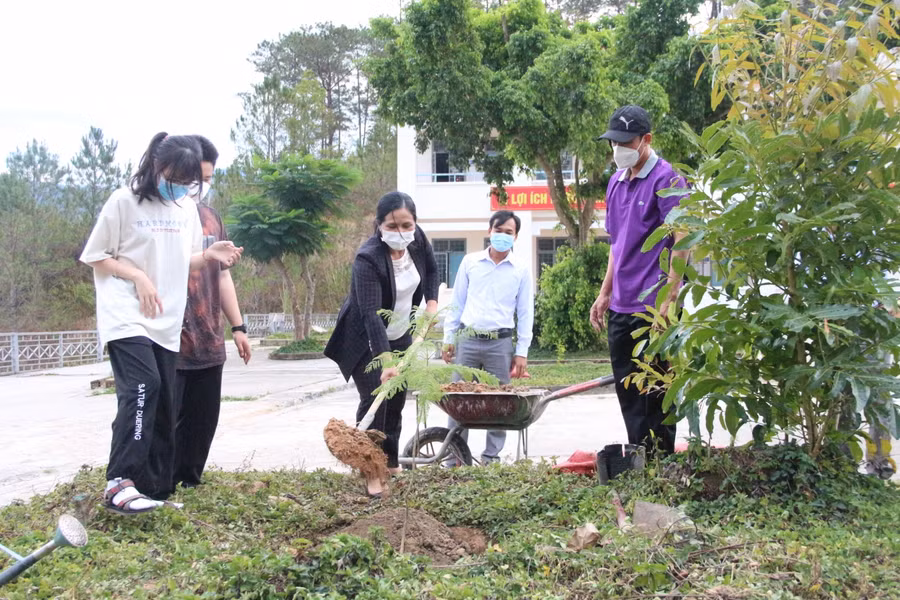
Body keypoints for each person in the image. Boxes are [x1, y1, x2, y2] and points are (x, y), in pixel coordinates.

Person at [80, 133, 243, 515]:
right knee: (143, 386)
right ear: (156, 167)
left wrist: (209, 254)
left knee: (166, 405)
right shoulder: (124, 201)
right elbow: (96, 256)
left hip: (164, 319)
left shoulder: (184, 208)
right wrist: (137, 277)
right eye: (177, 176)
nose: (184, 187)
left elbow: (180, 259)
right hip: (126, 313)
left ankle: (152, 490)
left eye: (192, 181)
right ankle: (119, 481)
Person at [324, 191, 439, 497]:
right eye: (392, 225)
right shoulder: (368, 257)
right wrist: (386, 362)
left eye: (406, 224)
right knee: (376, 402)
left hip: (401, 333)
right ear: (379, 224)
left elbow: (431, 270)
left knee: (397, 401)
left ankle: (390, 463)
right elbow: (371, 314)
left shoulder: (417, 239)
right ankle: (370, 472)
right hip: (364, 339)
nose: (400, 232)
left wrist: (431, 303)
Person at [589, 105, 688, 457]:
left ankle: (661, 462)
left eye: (625, 142)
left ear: (646, 140)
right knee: (629, 393)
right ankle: (639, 461)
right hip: (621, 306)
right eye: (613, 143)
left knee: (657, 394)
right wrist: (604, 294)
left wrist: (669, 300)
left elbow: (683, 240)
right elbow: (617, 243)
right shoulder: (616, 182)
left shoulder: (668, 180)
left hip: (654, 307)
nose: (618, 150)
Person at [172, 135, 252, 493]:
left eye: (207, 179)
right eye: (194, 178)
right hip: (169, 339)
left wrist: (238, 326)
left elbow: (222, 276)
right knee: (167, 419)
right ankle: (158, 484)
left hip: (207, 336)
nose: (199, 187)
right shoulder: (161, 218)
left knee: (203, 420)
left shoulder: (211, 218)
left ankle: (190, 482)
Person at [442, 210, 534, 464]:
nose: (503, 235)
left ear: (516, 237)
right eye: (499, 230)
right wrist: (448, 339)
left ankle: (491, 457)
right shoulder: (470, 262)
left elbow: (526, 312)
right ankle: (455, 457)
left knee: (499, 401)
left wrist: (522, 352)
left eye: (509, 232)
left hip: (500, 344)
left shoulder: (521, 269)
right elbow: (457, 303)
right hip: (467, 341)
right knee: (459, 400)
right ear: (489, 231)